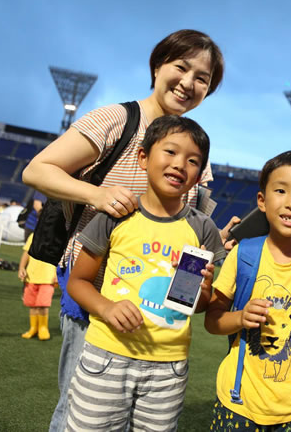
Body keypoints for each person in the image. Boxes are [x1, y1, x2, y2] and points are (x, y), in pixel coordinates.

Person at [22, 29, 227, 432]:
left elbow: (182, 222)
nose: (188, 83)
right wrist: (97, 195)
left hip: (154, 310)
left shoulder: (191, 148)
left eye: (202, 78)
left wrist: (216, 235)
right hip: (94, 293)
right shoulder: (117, 120)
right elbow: (36, 170)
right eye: (181, 67)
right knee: (79, 411)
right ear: (158, 66)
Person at [66, 115, 226, 430]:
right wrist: (107, 308)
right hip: (107, 355)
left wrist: (203, 292)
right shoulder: (115, 216)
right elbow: (78, 282)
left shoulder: (203, 228)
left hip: (169, 367)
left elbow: (197, 305)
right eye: (170, 151)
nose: (180, 164)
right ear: (143, 157)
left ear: (198, 176)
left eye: (193, 160)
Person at [205, 151, 291, 431]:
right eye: (281, 190)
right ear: (262, 200)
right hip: (239, 401)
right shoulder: (243, 253)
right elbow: (212, 320)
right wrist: (240, 318)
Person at [18, 233, 57, 341]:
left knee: (43, 305)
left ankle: (43, 328)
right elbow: (26, 252)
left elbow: (61, 256)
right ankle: (33, 328)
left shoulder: (57, 236)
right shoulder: (33, 235)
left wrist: (58, 274)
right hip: (31, 276)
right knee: (32, 305)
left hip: (47, 278)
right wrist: (21, 267)